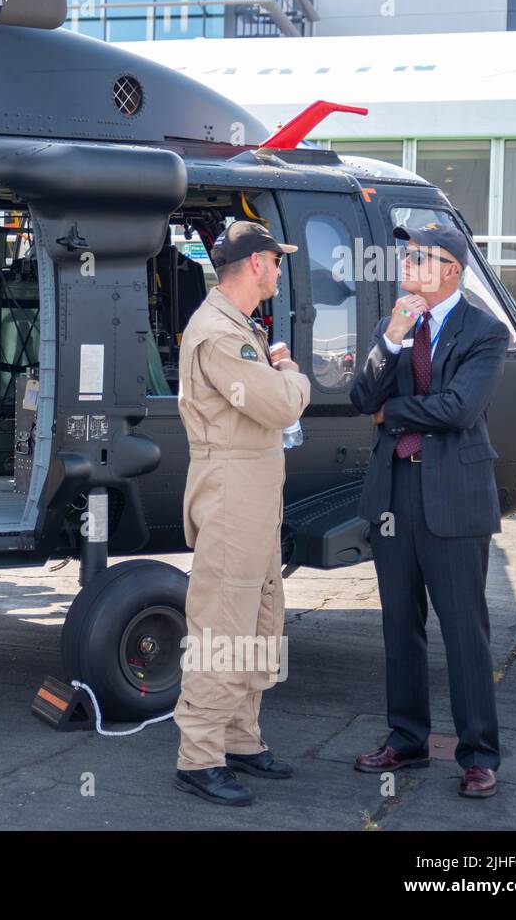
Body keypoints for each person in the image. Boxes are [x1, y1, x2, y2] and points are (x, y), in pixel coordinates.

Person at [349, 221, 509, 799]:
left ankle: (478, 754)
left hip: (454, 497)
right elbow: (359, 397)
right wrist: (389, 340)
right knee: (400, 624)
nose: (408, 263)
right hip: (394, 493)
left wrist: (391, 414)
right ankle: (407, 738)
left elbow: (459, 408)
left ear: (452, 270)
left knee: (465, 631)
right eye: (407, 254)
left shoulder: (486, 332)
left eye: (421, 256)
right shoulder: (397, 325)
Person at [173, 221, 310, 806]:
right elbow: (281, 405)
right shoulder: (218, 335)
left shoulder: (239, 328)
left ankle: (239, 737)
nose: (279, 270)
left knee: (258, 618)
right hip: (231, 493)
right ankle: (198, 757)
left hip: (252, 494)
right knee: (222, 626)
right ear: (256, 264)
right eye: (276, 261)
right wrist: (290, 371)